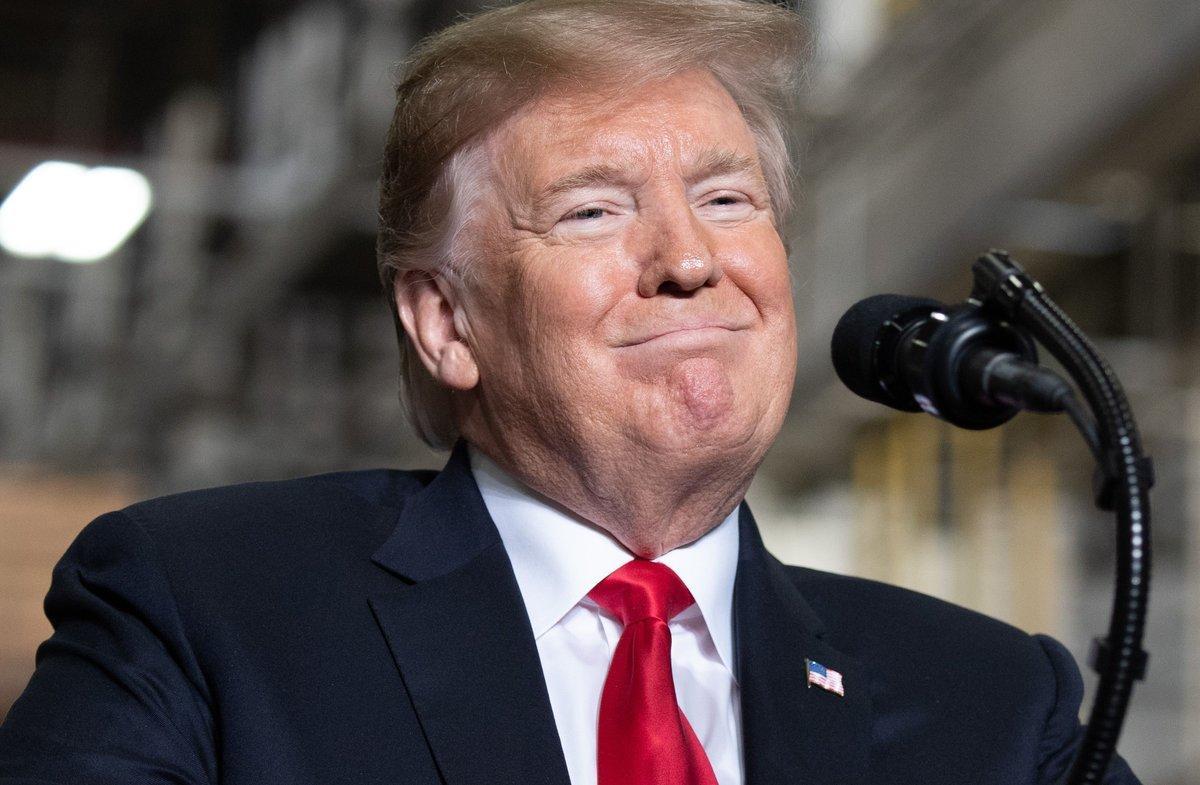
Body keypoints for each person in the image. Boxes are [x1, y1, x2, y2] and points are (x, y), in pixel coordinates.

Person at [0, 1, 1141, 783]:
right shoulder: (203, 612)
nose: (690, 258)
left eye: (730, 200)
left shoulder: (996, 707)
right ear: (447, 322)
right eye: (594, 209)